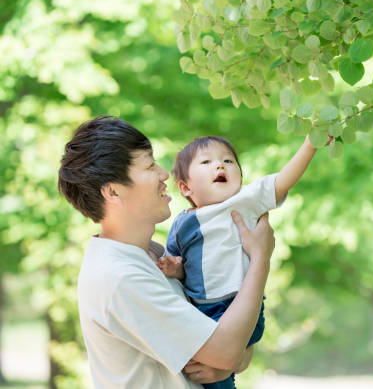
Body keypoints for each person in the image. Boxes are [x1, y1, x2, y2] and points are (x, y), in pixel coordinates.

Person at [57, 115, 275, 388]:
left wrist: (232, 360)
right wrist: (260, 259)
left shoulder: (156, 257)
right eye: (149, 165)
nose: (164, 174)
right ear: (113, 192)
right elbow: (226, 349)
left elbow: (234, 343)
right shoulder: (121, 277)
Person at [156, 134, 327, 388]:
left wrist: (310, 145)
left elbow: (282, 181)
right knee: (206, 374)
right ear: (185, 187)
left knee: (215, 373)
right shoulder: (182, 224)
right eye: (206, 162)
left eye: (228, 160)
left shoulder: (244, 202)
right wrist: (176, 269)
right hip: (203, 311)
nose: (220, 165)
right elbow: (184, 266)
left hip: (242, 308)